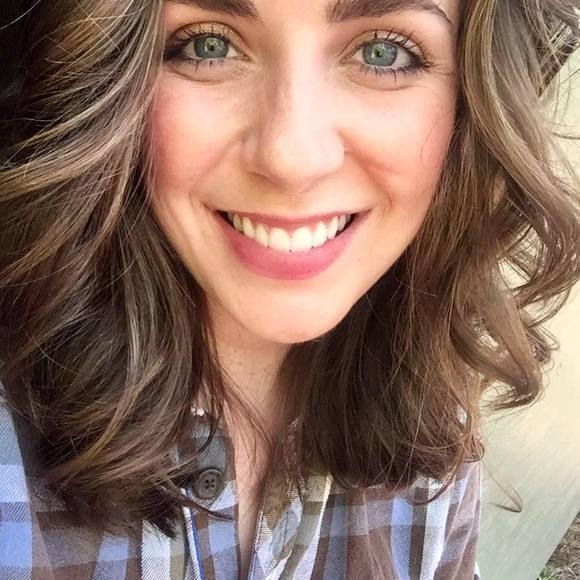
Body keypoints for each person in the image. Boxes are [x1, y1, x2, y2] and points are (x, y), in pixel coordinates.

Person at [1, 0, 579, 578]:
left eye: (383, 53)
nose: (291, 158)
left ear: (473, 103)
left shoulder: (436, 427)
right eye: (207, 45)